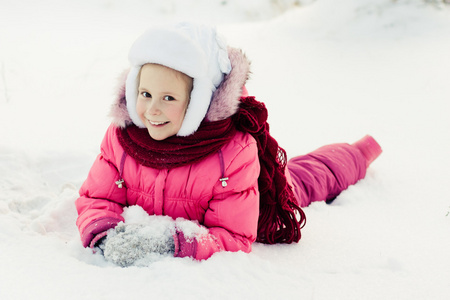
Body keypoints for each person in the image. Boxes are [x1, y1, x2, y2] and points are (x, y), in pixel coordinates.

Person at [75, 22, 382, 266]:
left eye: (169, 98)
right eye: (145, 94)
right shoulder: (122, 137)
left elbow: (235, 236)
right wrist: (104, 233)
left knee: (308, 178)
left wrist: (173, 243)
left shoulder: (233, 151)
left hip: (260, 196)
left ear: (198, 101)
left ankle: (358, 153)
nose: (152, 110)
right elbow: (96, 198)